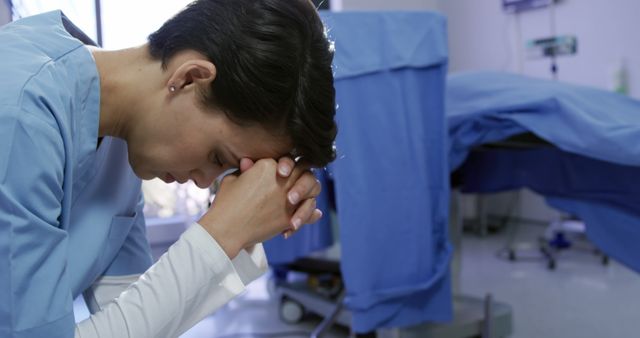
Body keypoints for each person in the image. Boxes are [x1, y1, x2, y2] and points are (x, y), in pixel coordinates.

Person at [0, 0, 337, 337]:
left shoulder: (121, 142)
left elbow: (137, 321)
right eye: (218, 157)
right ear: (190, 78)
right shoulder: (20, 115)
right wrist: (223, 232)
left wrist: (236, 236)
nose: (205, 183)